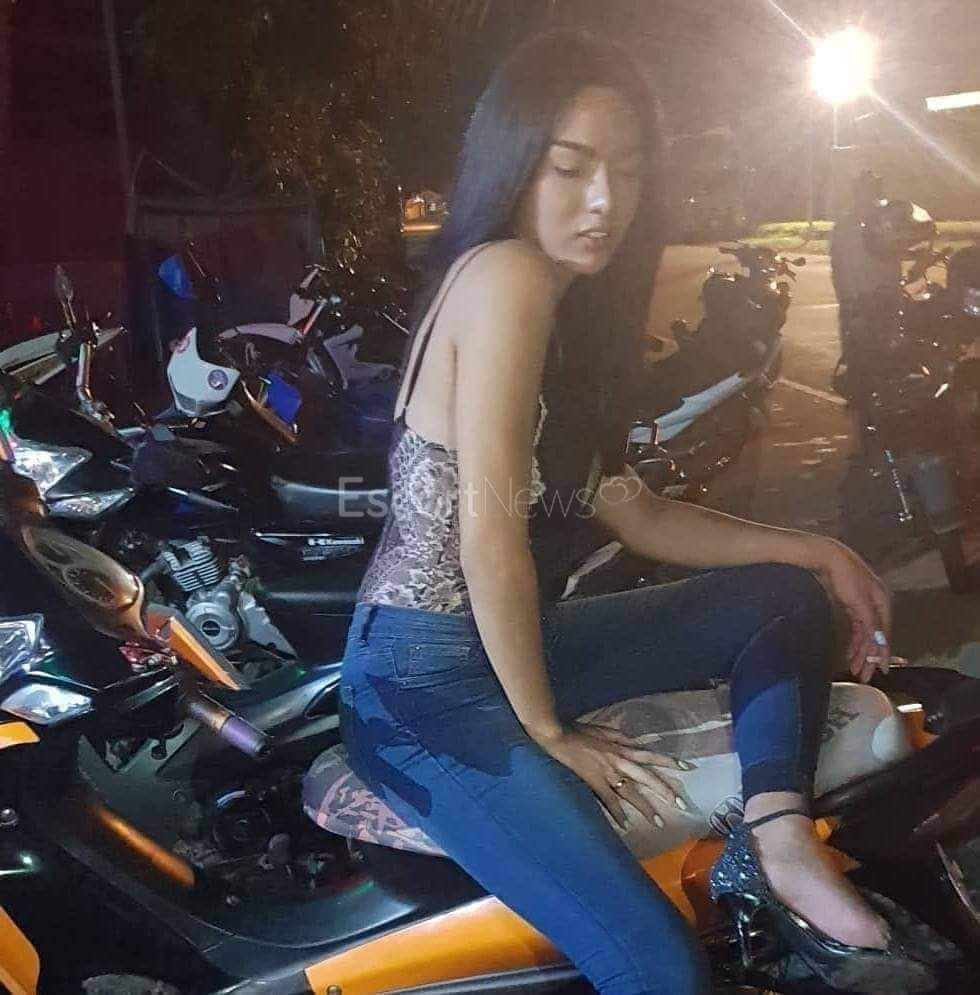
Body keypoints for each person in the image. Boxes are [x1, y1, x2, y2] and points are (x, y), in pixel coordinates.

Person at [336, 32, 932, 995]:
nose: (605, 200)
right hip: (419, 686)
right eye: (571, 167)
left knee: (783, 595)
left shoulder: (566, 307)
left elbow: (633, 508)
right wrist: (548, 732)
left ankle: (778, 841)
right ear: (515, 163)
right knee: (658, 966)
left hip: (515, 641)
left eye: (629, 170)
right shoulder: (507, 276)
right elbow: (490, 534)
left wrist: (821, 549)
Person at [830, 170, 903, 386]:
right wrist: (847, 299)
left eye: (873, 190)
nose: (870, 196)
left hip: (884, 298)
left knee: (887, 352)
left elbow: (895, 259)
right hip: (858, 300)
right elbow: (839, 266)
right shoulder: (845, 226)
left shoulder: (886, 223)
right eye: (866, 190)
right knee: (858, 355)